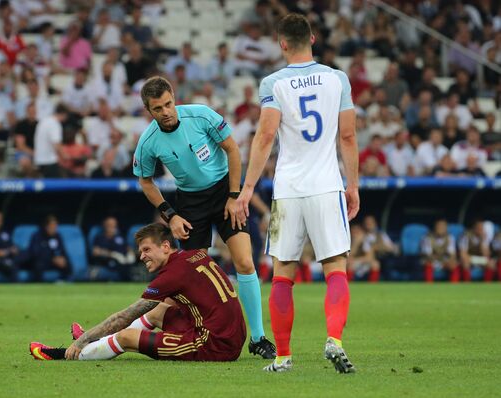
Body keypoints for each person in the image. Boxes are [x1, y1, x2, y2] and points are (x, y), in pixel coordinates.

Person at [235, 14, 359, 373]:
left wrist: (246, 191)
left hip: (288, 191)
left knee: (283, 274)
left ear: (282, 44)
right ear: (313, 39)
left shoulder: (273, 83)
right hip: (326, 185)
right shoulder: (338, 79)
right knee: (336, 269)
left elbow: (266, 136)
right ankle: (333, 340)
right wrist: (352, 186)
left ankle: (283, 357)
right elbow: (348, 137)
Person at [132, 76, 275, 359]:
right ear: (149, 111)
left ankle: (258, 338)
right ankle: (181, 330)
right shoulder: (149, 141)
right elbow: (145, 181)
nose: (166, 112)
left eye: (169, 104)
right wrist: (170, 216)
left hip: (224, 192)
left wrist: (234, 197)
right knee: (191, 278)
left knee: (245, 262)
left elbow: (233, 151)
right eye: (158, 108)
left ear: (174, 97)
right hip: (190, 203)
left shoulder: (201, 115)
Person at [29, 223, 247, 362]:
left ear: (165, 246)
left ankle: (66, 354)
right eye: (140, 251)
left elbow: (125, 317)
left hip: (214, 345)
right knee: (158, 311)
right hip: (231, 335)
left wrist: (82, 340)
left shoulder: (171, 275)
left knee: (126, 336)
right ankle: (97, 342)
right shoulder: (193, 256)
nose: (141, 256)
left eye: (146, 250)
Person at [21, 215, 71, 282]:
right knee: (38, 265)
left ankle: (64, 281)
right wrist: (52, 259)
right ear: (46, 226)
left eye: (55, 226)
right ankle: (39, 284)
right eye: (52, 226)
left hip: (54, 262)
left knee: (67, 262)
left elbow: (63, 250)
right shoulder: (37, 236)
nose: (54, 228)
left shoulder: (57, 236)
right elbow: (35, 253)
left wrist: (62, 258)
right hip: (42, 261)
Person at [90, 216, 133, 281]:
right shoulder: (99, 237)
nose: (112, 227)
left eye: (114, 225)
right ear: (104, 225)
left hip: (123, 265)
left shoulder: (120, 236)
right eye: (109, 225)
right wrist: (113, 254)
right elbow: (95, 252)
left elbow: (127, 247)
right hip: (107, 265)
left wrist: (130, 254)